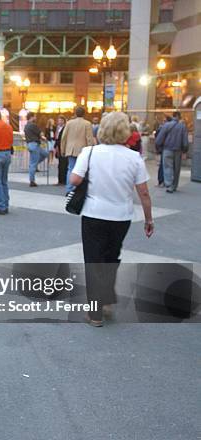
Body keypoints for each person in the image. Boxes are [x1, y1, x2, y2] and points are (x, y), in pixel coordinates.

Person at [69, 112, 153, 327]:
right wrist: (148, 220)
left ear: (102, 129)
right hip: (121, 216)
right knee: (111, 256)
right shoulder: (134, 158)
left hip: (94, 213)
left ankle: (95, 314)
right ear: (125, 131)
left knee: (94, 260)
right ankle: (105, 299)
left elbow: (75, 179)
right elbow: (143, 192)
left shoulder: (89, 153)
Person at [61, 105, 94, 193]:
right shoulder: (87, 124)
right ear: (84, 114)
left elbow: (64, 137)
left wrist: (63, 149)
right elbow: (89, 139)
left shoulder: (69, 123)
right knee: (82, 170)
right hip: (83, 150)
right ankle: (80, 189)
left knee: (70, 168)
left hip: (70, 149)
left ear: (75, 113)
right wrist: (91, 151)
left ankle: (69, 189)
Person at [155, 111, 189, 193]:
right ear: (179, 117)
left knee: (167, 167)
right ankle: (174, 185)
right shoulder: (183, 126)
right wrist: (185, 150)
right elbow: (185, 141)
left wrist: (159, 148)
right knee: (176, 169)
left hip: (167, 149)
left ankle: (169, 184)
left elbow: (159, 139)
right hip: (178, 150)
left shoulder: (166, 125)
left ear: (173, 116)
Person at [24, 111, 47, 187]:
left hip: (30, 144)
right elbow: (40, 134)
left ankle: (34, 166)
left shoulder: (26, 125)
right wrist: (44, 138)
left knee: (44, 154)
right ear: (32, 117)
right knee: (34, 162)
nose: (35, 118)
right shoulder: (33, 125)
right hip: (35, 144)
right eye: (35, 116)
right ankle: (32, 180)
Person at [54, 115, 68, 185]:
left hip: (63, 148)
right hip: (58, 148)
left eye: (60, 120)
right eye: (58, 120)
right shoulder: (58, 128)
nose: (59, 122)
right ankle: (60, 180)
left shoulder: (65, 128)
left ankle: (63, 180)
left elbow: (61, 139)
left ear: (63, 121)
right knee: (60, 164)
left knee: (63, 164)